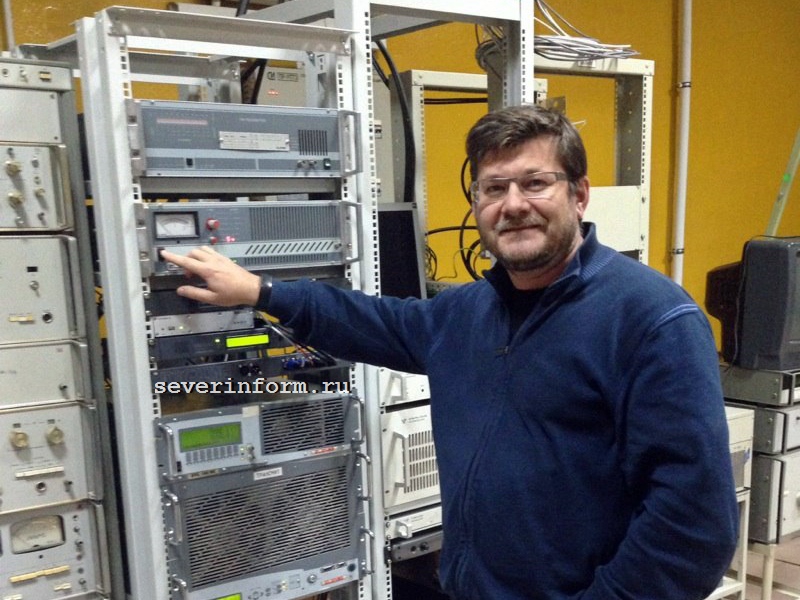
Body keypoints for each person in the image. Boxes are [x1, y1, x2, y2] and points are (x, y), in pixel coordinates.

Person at [161, 104, 739, 600]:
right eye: (494, 188)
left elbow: (692, 529)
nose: (513, 204)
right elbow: (373, 321)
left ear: (579, 194)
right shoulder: (466, 313)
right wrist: (261, 292)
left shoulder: (651, 320)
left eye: (535, 183)